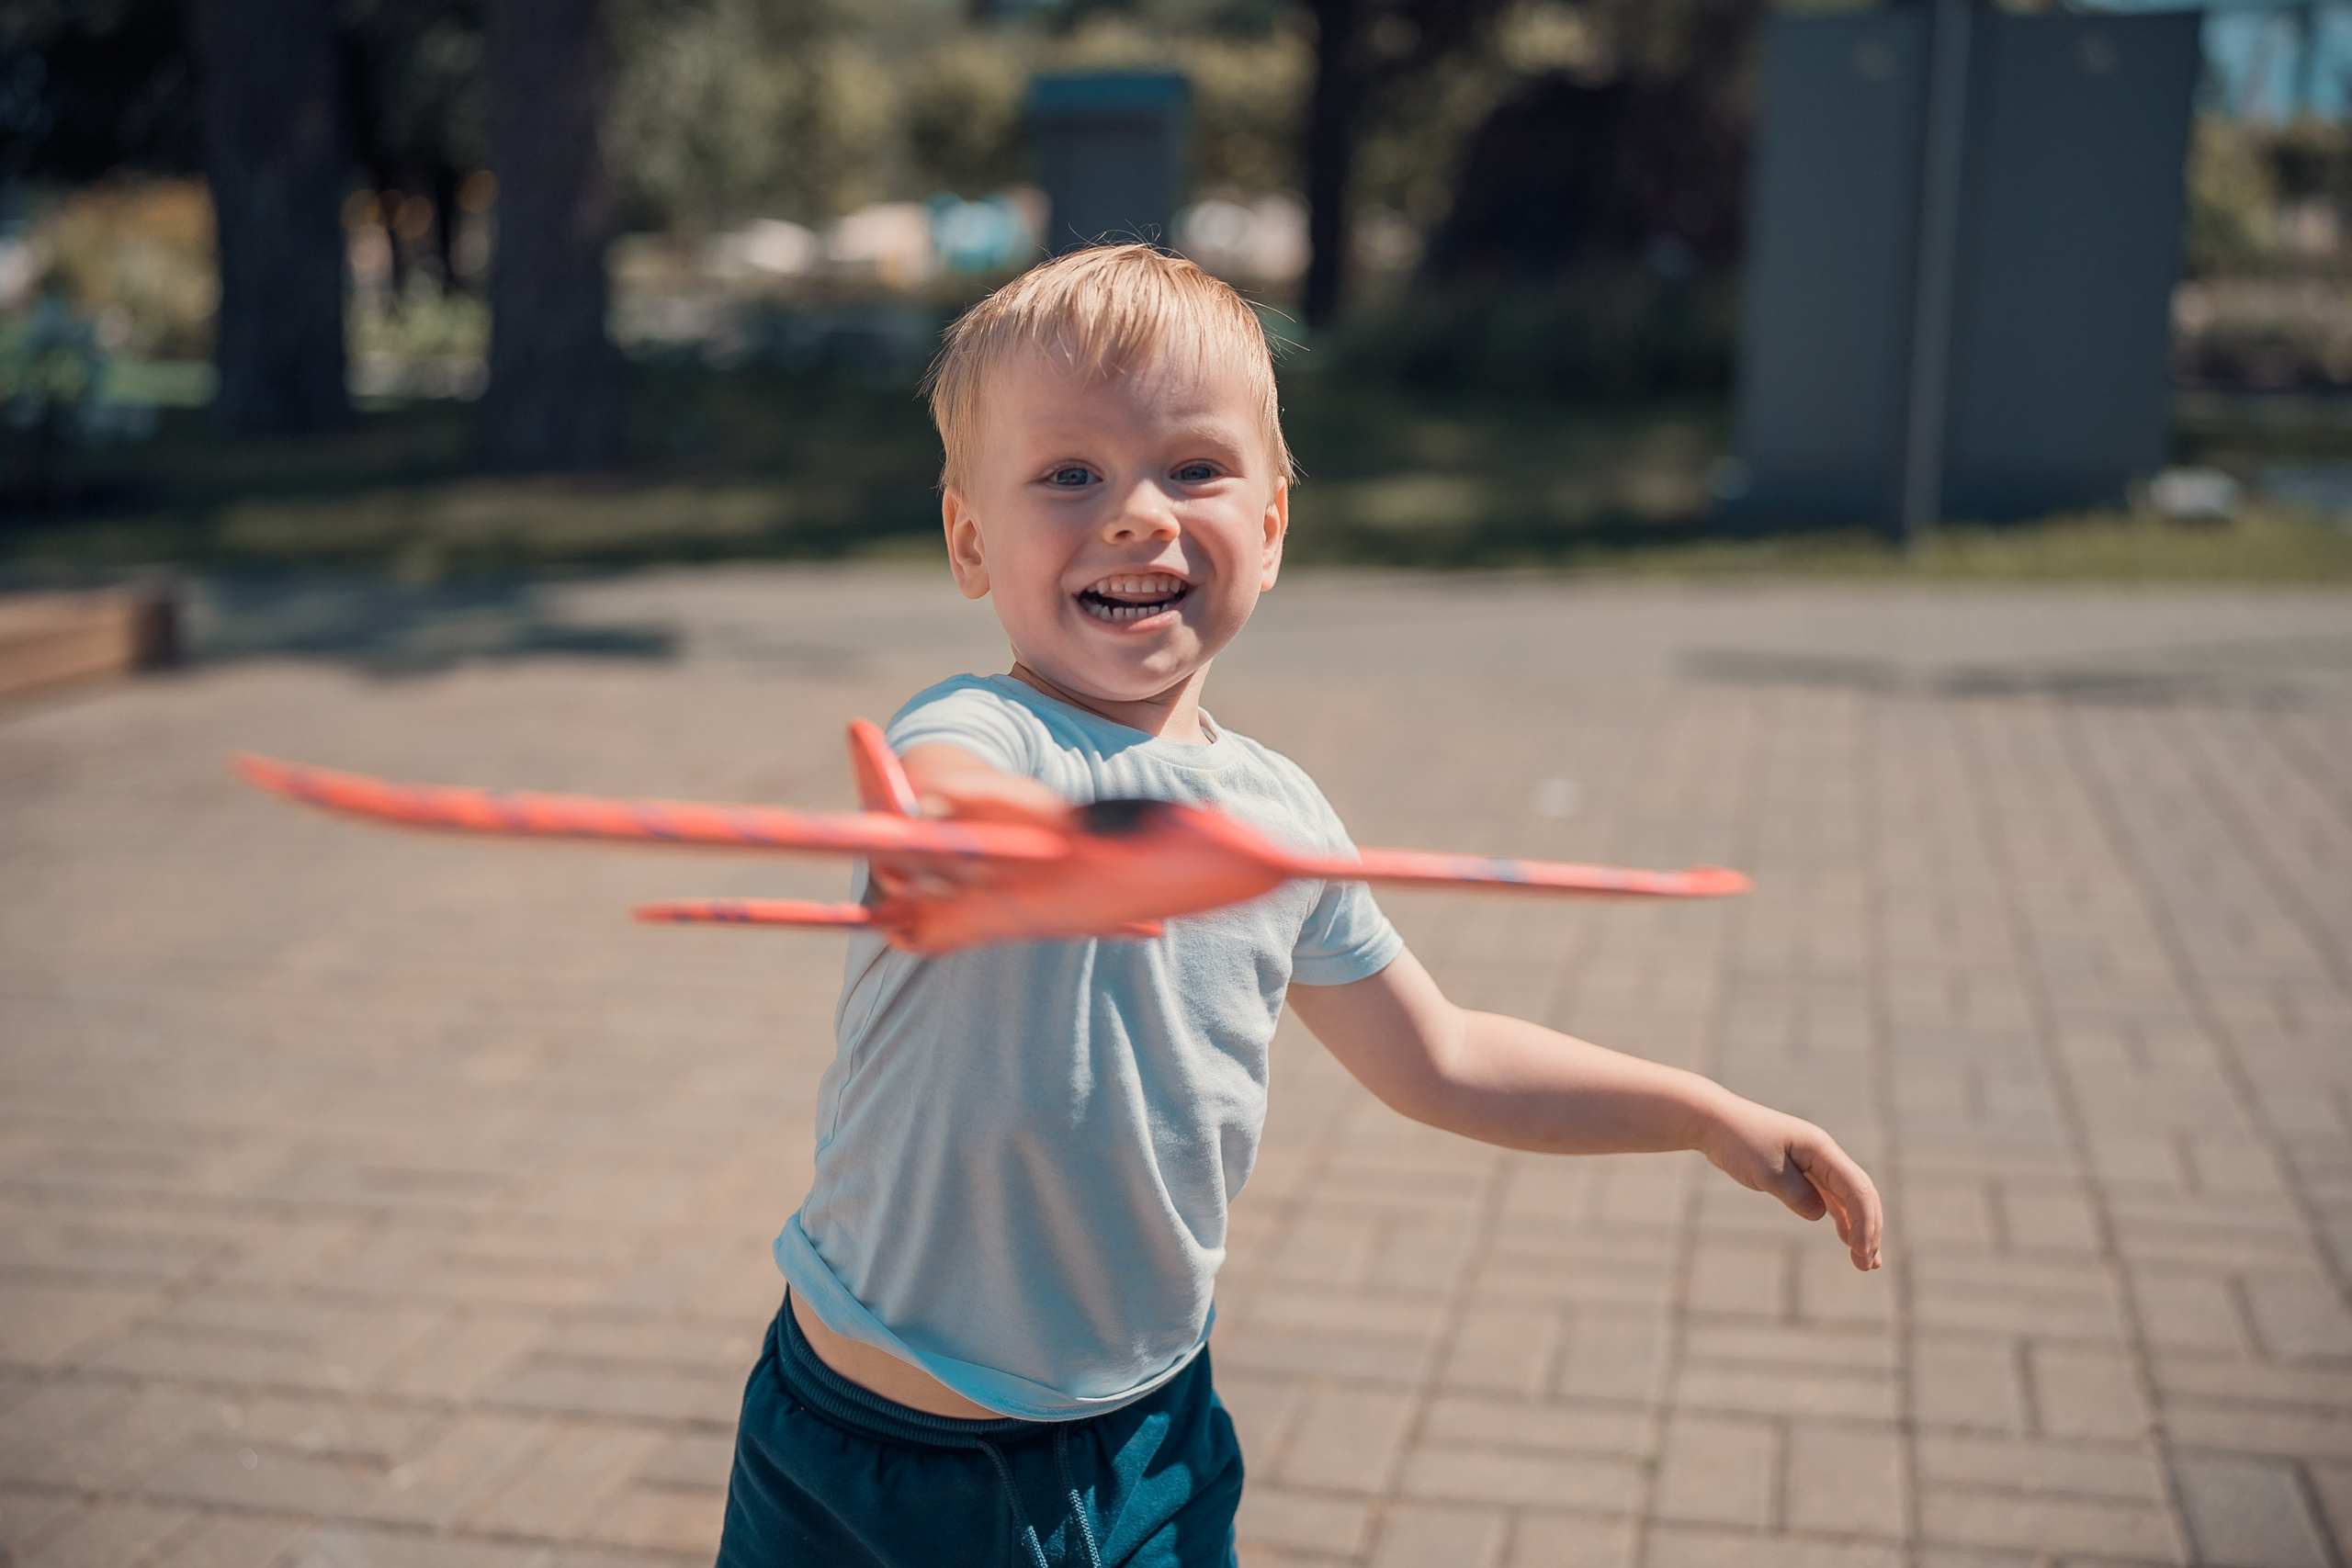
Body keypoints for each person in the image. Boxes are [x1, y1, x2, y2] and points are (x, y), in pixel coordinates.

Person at [714, 244, 1883, 1568]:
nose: (1138, 515)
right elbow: (944, 800)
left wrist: (1701, 1113)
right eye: (1070, 474)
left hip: (1145, 1442)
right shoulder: (985, 731)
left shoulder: (1281, 820)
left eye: (1193, 469)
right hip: (869, 1459)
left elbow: (1444, 1057)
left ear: (1270, 531)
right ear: (970, 541)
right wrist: (1026, 850)